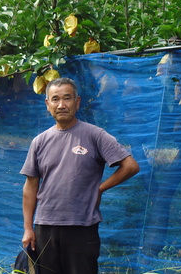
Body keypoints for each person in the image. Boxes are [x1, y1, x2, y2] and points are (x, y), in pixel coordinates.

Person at [20, 77, 140, 274]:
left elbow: (130, 166)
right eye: (55, 99)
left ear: (77, 102)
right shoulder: (39, 141)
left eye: (67, 98)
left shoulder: (95, 135)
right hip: (45, 226)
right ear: (47, 104)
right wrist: (28, 228)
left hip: (82, 226)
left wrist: (100, 188)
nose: (61, 105)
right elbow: (30, 186)